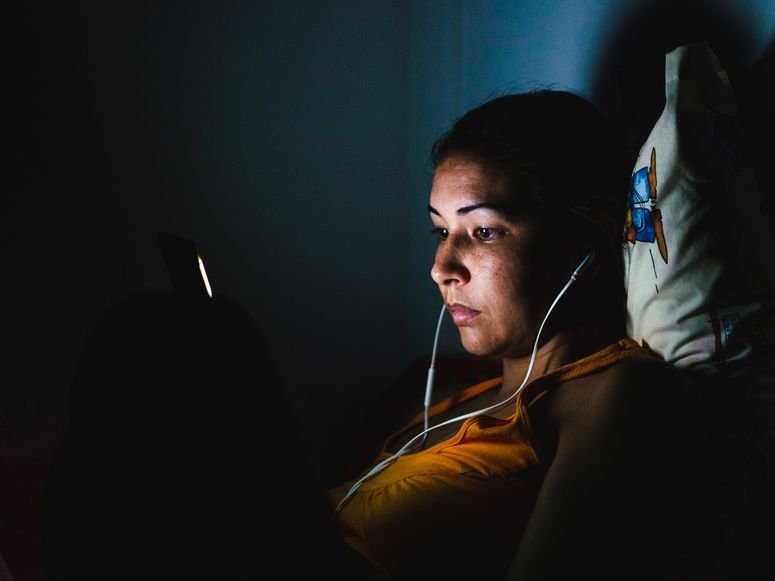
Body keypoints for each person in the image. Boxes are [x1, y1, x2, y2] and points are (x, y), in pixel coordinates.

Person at [327, 90, 713, 580]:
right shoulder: (437, 400)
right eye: (440, 231)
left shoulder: (621, 394)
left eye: (484, 231)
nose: (441, 269)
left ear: (582, 244)